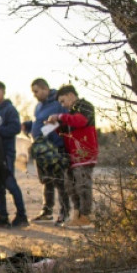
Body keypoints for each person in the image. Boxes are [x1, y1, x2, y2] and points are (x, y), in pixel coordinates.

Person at [48, 85, 98, 229]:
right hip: (72, 155)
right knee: (71, 186)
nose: (62, 105)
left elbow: (80, 121)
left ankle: (86, 216)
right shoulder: (70, 114)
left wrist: (60, 117)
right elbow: (64, 133)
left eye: (63, 101)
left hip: (85, 153)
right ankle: (77, 214)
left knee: (83, 185)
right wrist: (56, 126)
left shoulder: (85, 106)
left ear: (71, 95)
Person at [0, 81, 29, 229]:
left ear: (3, 92)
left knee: (10, 183)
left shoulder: (10, 110)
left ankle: (22, 216)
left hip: (6, 153)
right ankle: (2, 217)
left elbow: (15, 128)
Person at [28, 78, 69, 224]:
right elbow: (37, 122)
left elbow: (64, 120)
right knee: (47, 180)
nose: (34, 94)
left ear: (45, 89)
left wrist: (50, 128)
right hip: (41, 148)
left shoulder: (59, 102)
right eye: (33, 92)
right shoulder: (38, 106)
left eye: (36, 91)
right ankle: (47, 212)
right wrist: (28, 127)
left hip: (55, 146)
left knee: (60, 181)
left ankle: (65, 212)